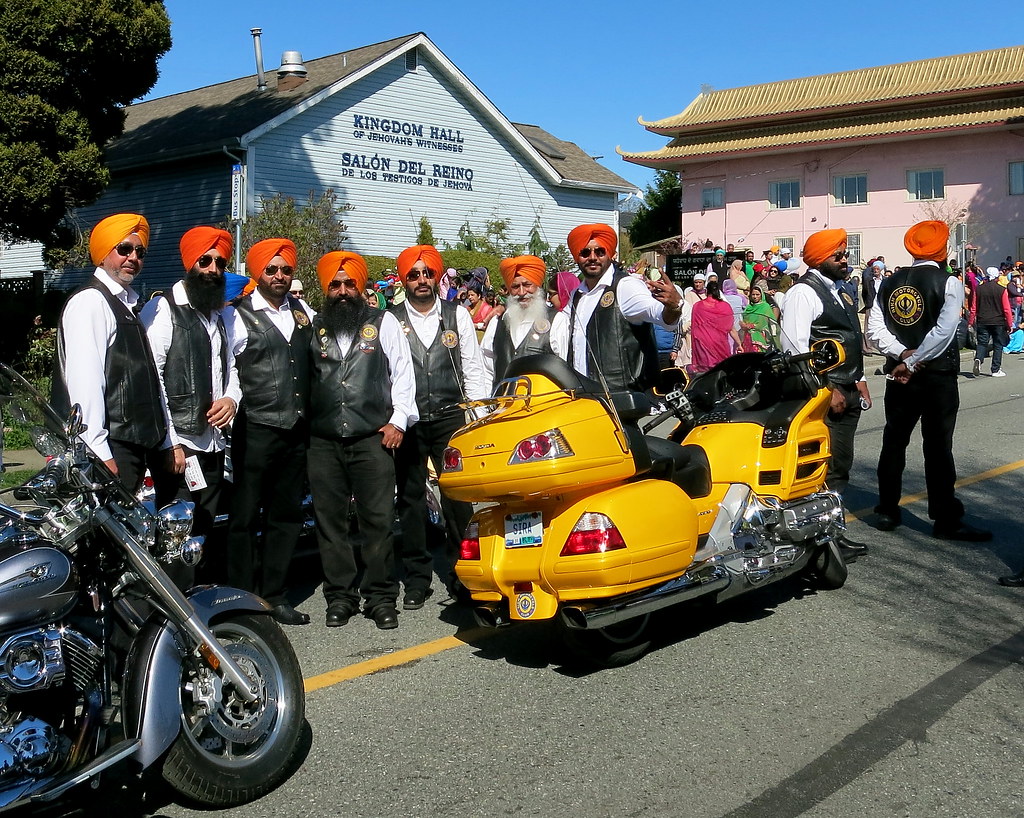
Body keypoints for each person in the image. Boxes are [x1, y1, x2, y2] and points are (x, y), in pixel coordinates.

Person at [307, 251, 417, 630]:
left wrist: (398, 421)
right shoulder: (314, 326)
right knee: (330, 524)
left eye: (348, 283)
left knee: (378, 521)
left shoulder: (381, 321)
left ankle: (381, 598)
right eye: (334, 285)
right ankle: (340, 597)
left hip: (373, 438)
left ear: (361, 286)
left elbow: (403, 373)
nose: (341, 291)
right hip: (323, 442)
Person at [867, 220, 991, 541]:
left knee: (894, 441)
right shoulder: (948, 282)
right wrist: (916, 359)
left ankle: (887, 510)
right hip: (935, 376)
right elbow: (944, 331)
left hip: (900, 374)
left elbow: (875, 331)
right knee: (937, 447)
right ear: (942, 249)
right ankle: (945, 518)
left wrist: (902, 356)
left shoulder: (888, 283)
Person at [390, 245, 489, 607]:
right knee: (411, 498)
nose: (421, 280)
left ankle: (465, 570)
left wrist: (477, 418)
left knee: (457, 499)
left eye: (427, 273)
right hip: (410, 420)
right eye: (413, 275)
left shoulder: (457, 315)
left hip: (450, 418)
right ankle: (417, 578)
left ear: (436, 276)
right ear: (404, 280)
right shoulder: (390, 318)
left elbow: (473, 369)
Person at [140, 226, 240, 583]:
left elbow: (231, 368)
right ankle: (173, 613)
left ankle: (201, 604)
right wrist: (171, 442)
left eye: (219, 262)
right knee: (175, 533)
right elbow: (153, 380)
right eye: (205, 260)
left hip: (212, 441)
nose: (213, 269)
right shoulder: (163, 309)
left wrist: (231, 398)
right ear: (190, 263)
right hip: (180, 444)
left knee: (205, 529)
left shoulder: (218, 314)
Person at [228, 238, 314, 625]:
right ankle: (240, 596)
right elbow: (225, 367)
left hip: (296, 428)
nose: (279, 276)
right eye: (271, 269)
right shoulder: (237, 315)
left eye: (286, 270)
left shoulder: (301, 312)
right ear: (257, 272)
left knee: (286, 514)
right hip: (256, 426)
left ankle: (276, 595)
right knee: (245, 516)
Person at [51, 213, 171, 492]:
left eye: (139, 251)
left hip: (130, 446)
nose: (133, 258)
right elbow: (86, 381)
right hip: (110, 447)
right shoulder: (91, 301)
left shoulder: (126, 304)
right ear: (104, 253)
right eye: (124, 249)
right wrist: (99, 451)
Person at [779, 228, 871, 561]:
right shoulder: (803, 293)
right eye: (838, 255)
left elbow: (846, 339)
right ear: (820, 259)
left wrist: (859, 379)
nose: (844, 259)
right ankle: (821, 541)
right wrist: (825, 389)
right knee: (825, 468)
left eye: (845, 254)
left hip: (846, 389)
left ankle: (833, 533)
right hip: (824, 396)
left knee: (840, 465)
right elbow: (794, 350)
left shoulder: (840, 290)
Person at [566, 223, 681, 390]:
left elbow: (658, 314)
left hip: (621, 398)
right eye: (585, 252)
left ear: (610, 254)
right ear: (577, 257)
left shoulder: (625, 286)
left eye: (600, 251)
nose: (592, 257)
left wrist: (673, 307)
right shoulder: (577, 294)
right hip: (582, 397)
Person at [481, 255, 569, 386]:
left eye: (527, 285)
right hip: (502, 403)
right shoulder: (497, 322)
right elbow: (486, 370)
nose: (522, 292)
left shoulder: (557, 321)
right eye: (515, 287)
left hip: (543, 404)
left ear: (538, 286)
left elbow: (564, 370)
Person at [970, 266, 1013, 378]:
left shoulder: (979, 289)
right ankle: (995, 369)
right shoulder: (1001, 289)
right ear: (997, 277)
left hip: (982, 320)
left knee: (982, 343)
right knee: (998, 345)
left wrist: (970, 321)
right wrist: (1009, 324)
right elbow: (1007, 309)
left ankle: (978, 359)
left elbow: (974, 307)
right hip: (998, 321)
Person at [690, 280, 740, 373]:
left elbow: (694, 329)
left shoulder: (697, 306)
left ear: (706, 291)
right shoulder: (725, 306)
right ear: (718, 291)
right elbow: (731, 328)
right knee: (721, 371)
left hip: (703, 345)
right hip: (720, 344)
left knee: (705, 373)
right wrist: (739, 344)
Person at [740, 285, 777, 351]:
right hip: (747, 336)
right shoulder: (748, 307)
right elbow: (743, 319)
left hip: (760, 335)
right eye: (753, 294)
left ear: (761, 295)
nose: (755, 297)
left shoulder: (765, 307)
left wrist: (753, 326)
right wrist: (743, 325)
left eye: (757, 294)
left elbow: (769, 322)